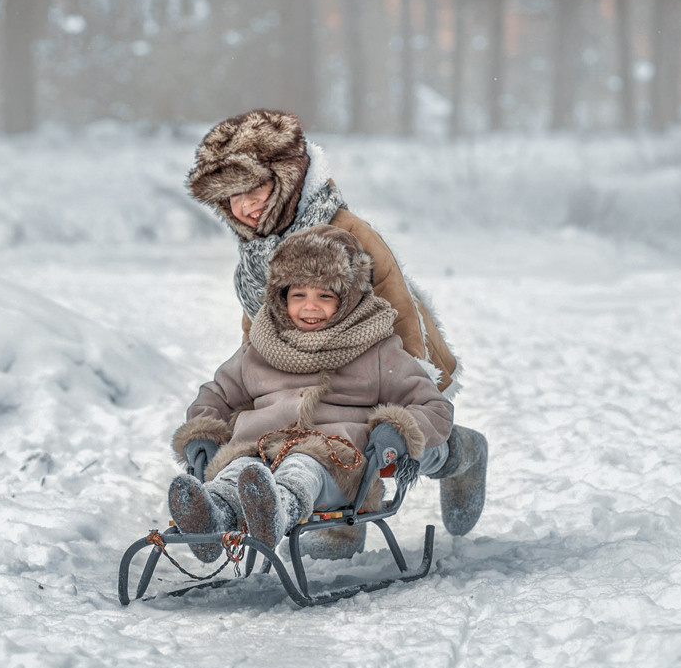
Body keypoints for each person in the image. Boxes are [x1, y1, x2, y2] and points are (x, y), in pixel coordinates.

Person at [186, 109, 486, 535]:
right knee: (306, 438)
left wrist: (402, 403)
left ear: (285, 179)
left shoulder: (347, 230)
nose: (246, 205)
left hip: (384, 345)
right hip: (304, 369)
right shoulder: (258, 249)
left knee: (396, 441)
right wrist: (259, 395)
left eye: (255, 188)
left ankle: (462, 453)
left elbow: (397, 305)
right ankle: (236, 506)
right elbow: (260, 327)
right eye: (232, 196)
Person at [167, 227, 453, 560]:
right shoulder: (259, 349)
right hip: (258, 450)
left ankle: (278, 510)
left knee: (302, 467)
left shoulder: (376, 351)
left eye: (325, 296)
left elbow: (433, 405)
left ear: (348, 298)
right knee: (238, 469)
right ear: (281, 296)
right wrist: (202, 432)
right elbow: (215, 396)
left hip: (335, 459)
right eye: (298, 295)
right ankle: (213, 517)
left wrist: (399, 428)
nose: (310, 307)